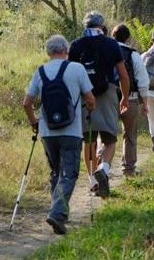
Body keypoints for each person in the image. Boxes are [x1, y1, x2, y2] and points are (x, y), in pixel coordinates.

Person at [23, 35, 95, 235]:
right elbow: (90, 98)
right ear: (66, 50)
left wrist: (34, 123)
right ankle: (57, 213)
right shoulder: (77, 69)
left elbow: (26, 103)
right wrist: (89, 110)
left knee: (56, 172)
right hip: (71, 131)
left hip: (47, 131)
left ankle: (59, 211)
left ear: (48, 52)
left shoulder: (40, 71)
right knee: (69, 173)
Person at [68, 11, 130, 198]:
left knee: (89, 139)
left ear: (85, 26)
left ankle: (92, 181)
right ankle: (103, 169)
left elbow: (70, 74)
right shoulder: (111, 44)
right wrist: (124, 98)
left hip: (84, 95)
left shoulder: (77, 45)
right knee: (110, 139)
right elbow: (123, 75)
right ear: (102, 26)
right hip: (107, 92)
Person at [111, 24, 149, 176]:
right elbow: (143, 81)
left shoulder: (106, 52)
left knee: (106, 134)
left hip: (109, 99)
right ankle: (128, 169)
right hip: (131, 99)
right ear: (128, 38)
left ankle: (102, 166)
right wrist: (145, 103)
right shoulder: (133, 55)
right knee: (130, 135)